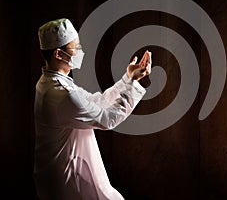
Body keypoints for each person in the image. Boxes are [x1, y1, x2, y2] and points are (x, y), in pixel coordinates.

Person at [33, 18, 152, 200]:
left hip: (59, 174)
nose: (80, 52)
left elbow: (97, 101)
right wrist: (133, 84)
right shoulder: (62, 95)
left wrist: (128, 78)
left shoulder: (50, 83)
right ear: (58, 54)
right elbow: (107, 119)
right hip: (66, 179)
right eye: (76, 48)